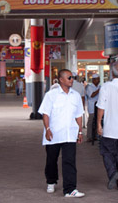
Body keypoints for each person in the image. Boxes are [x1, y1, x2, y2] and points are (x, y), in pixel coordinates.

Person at [38, 69, 85, 198]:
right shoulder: (51, 95)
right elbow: (45, 113)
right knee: (51, 160)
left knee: (69, 161)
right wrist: (47, 129)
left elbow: (79, 115)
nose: (72, 80)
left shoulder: (75, 95)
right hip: (54, 134)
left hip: (70, 133)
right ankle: (51, 181)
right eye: (69, 77)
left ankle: (70, 189)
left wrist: (80, 131)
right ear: (61, 80)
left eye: (72, 77)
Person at [85, 74, 101, 142]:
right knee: (91, 122)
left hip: (99, 107)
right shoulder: (89, 87)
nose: (98, 81)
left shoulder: (100, 86)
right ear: (93, 80)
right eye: (97, 79)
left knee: (97, 121)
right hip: (92, 107)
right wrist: (99, 90)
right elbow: (92, 95)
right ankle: (89, 136)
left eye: (99, 79)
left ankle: (96, 136)